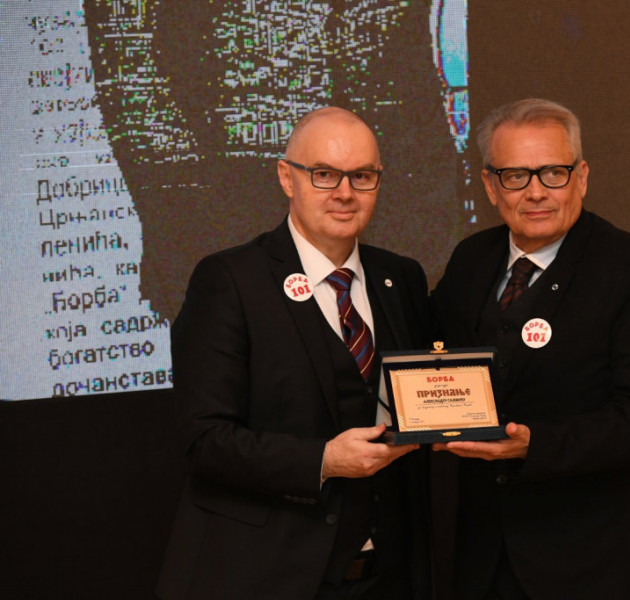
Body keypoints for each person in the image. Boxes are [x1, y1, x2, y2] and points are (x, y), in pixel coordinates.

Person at [156, 107, 431, 600]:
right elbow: (206, 441)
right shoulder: (230, 281)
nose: (345, 192)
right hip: (270, 575)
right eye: (324, 174)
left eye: (362, 176)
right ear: (287, 177)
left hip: (387, 576)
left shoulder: (401, 278)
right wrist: (323, 460)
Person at [431, 98, 630, 600]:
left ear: (581, 177)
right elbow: (434, 362)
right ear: (490, 186)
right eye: (515, 176)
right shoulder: (471, 260)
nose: (536, 192)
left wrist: (535, 445)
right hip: (483, 560)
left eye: (553, 173)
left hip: (592, 563)